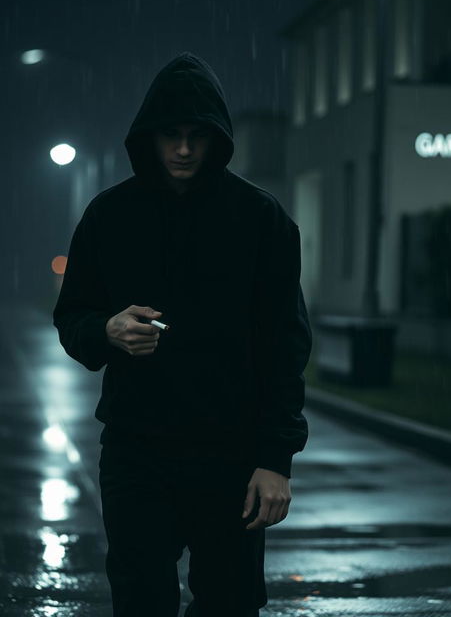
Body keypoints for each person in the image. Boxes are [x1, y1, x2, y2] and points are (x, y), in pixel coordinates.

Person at [52, 51, 311, 617]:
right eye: (171, 134)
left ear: (217, 137)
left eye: (197, 135)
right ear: (150, 136)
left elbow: (285, 347)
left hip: (232, 456)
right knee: (141, 598)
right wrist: (107, 330)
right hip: (137, 451)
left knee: (231, 602)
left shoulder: (260, 219)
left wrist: (276, 459)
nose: (185, 149)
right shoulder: (109, 215)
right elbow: (71, 318)